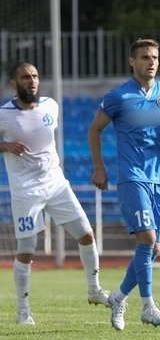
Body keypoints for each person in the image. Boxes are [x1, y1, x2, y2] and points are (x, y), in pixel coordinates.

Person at [88, 38, 160, 331]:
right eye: (145, 57)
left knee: (154, 247)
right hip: (132, 175)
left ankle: (119, 298)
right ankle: (148, 306)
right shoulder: (118, 96)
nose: (151, 62)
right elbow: (94, 130)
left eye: (155, 57)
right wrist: (100, 167)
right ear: (132, 61)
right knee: (147, 239)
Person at [0, 62, 111, 325]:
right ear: (14, 83)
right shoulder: (3, 114)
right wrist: (6, 145)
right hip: (25, 191)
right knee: (27, 251)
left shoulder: (51, 106)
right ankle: (23, 311)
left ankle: (94, 290)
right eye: (25, 77)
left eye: (35, 76)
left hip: (56, 184)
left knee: (86, 235)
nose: (32, 80)